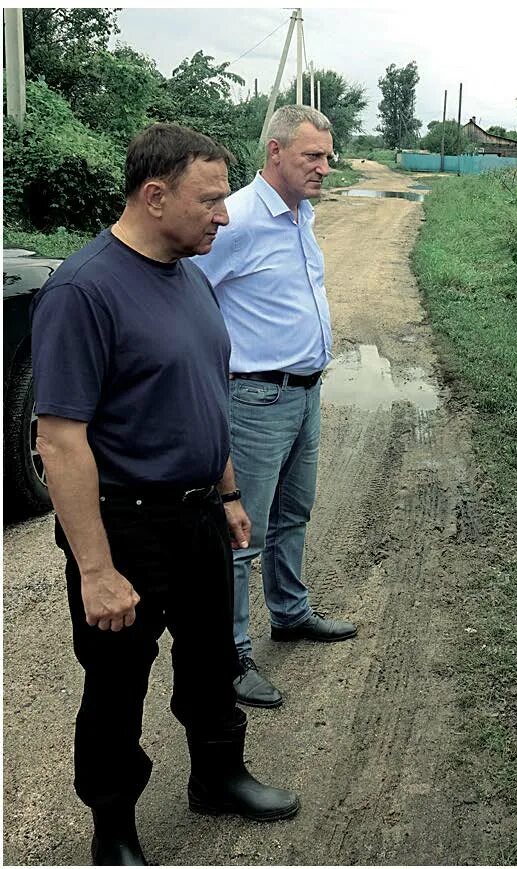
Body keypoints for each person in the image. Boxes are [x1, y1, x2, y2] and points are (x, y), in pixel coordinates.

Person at [31, 124, 300, 867]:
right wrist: (95, 568)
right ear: (155, 196)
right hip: (126, 524)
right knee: (117, 684)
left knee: (213, 660)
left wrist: (230, 493)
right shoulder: (84, 289)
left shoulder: (190, 273)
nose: (224, 214)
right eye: (210, 199)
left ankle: (217, 775)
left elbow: (201, 391)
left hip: (199, 513)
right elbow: (60, 441)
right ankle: (112, 826)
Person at [194, 104, 356, 709]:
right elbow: (190, 297)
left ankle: (289, 613)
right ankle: (231, 656)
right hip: (254, 397)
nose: (325, 167)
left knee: (294, 513)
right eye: (313, 156)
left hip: (305, 392)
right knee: (241, 533)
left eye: (328, 156)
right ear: (276, 153)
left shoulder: (301, 212)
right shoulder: (233, 218)